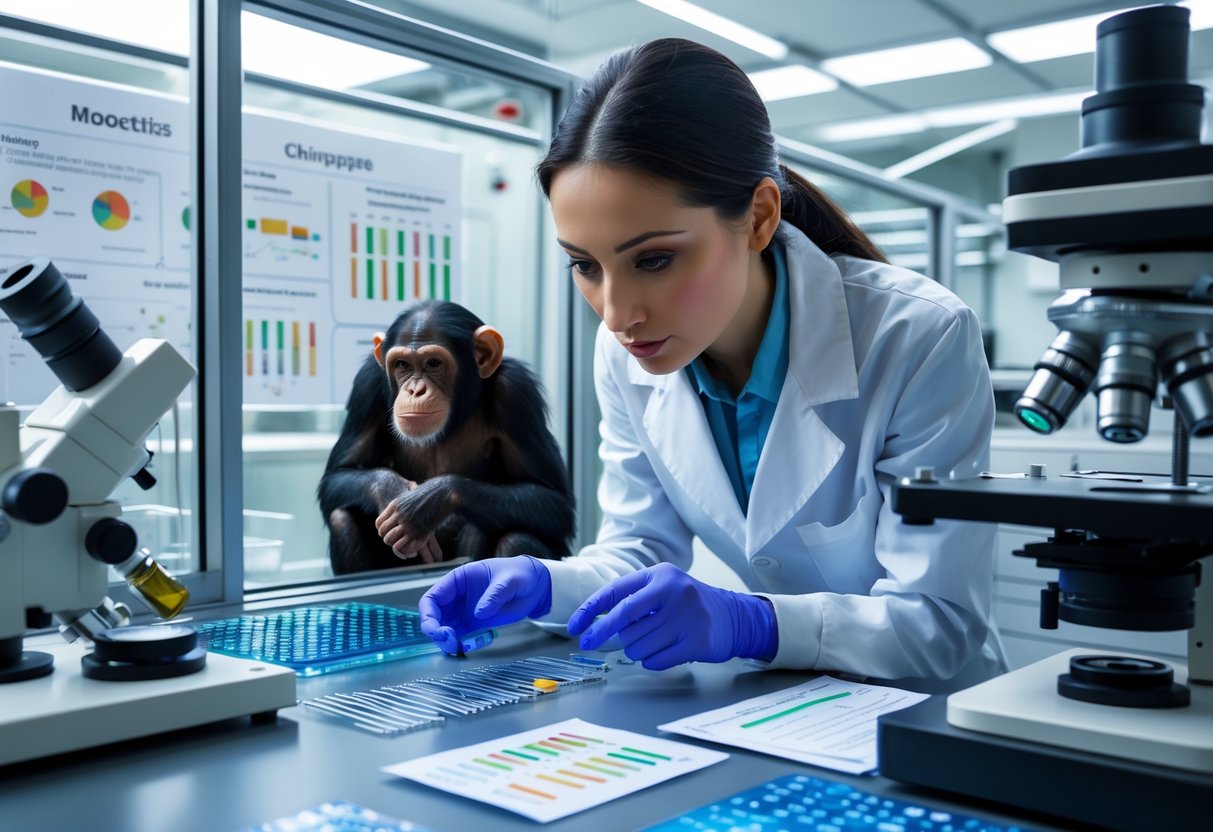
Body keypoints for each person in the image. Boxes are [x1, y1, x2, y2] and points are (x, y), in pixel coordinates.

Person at [418, 38, 1006, 692]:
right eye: (585, 265)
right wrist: (538, 583)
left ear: (757, 217)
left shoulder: (916, 335)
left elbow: (937, 625)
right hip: (780, 713)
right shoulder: (625, 355)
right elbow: (639, 548)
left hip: (928, 719)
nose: (615, 314)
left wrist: (750, 622)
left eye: (654, 259)